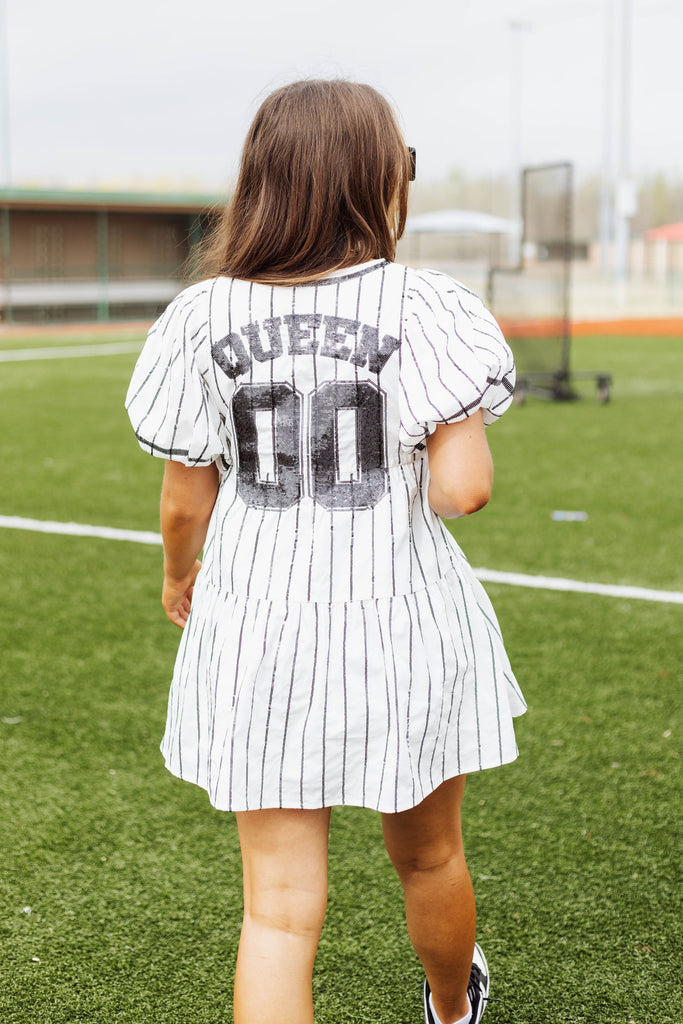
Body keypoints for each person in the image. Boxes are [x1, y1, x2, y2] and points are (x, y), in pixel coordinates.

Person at [126, 78, 526, 1024]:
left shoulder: (197, 315)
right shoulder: (427, 304)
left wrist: (179, 576)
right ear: (381, 180)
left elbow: (185, 500)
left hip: (254, 620)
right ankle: (450, 1008)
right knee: (428, 855)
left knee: (276, 911)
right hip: (401, 613)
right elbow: (462, 488)